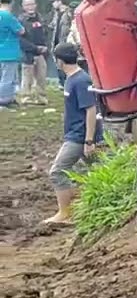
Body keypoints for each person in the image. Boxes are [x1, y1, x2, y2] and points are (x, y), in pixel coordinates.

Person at [44, 42, 104, 225]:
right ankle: (92, 207)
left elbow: (91, 110)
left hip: (79, 136)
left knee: (57, 172)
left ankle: (65, 213)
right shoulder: (71, 79)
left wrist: (89, 140)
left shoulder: (80, 80)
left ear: (59, 61)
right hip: (76, 133)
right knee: (98, 171)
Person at [18, 0, 48, 106]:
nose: (30, 7)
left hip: (41, 53)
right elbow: (20, 39)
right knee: (27, 77)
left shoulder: (41, 18)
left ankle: (41, 97)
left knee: (41, 76)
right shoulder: (20, 20)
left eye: (32, 4)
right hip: (27, 53)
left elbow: (45, 34)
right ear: (23, 6)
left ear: (36, 5)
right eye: (27, 4)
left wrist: (45, 47)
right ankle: (26, 97)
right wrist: (34, 48)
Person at [0, 0, 23, 110]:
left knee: (4, 77)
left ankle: (10, 97)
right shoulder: (8, 16)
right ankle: (4, 100)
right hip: (9, 52)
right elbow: (21, 31)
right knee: (7, 78)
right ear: (11, 3)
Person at [49, 0, 74, 85]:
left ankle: (67, 83)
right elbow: (52, 25)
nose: (53, 4)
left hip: (66, 42)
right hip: (56, 42)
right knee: (58, 63)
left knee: (66, 63)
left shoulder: (69, 13)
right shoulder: (56, 14)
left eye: (54, 2)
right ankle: (62, 83)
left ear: (60, 2)